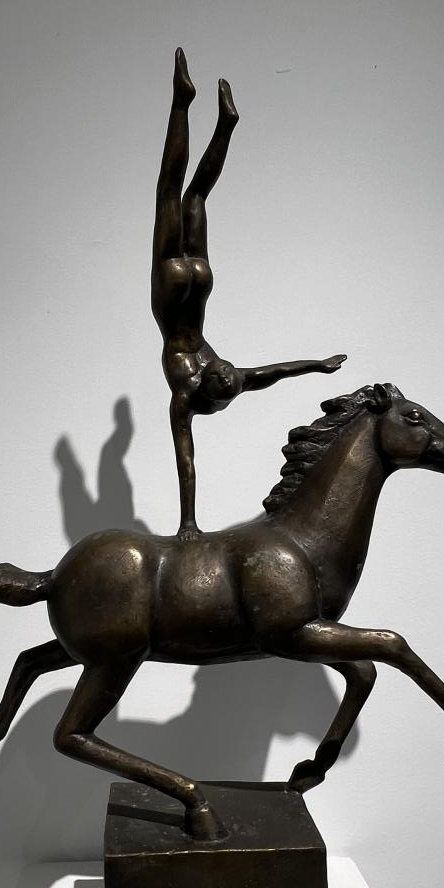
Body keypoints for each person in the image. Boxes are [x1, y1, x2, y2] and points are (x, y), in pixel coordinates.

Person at [152, 47, 346, 538]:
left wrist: (189, 522)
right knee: (188, 195)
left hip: (183, 284)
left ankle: (185, 103)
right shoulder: (223, 382)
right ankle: (220, 122)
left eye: (220, 372)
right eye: (228, 372)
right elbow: (278, 371)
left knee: (175, 191)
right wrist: (318, 364)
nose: (225, 368)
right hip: (187, 282)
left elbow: (186, 460)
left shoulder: (185, 396)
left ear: (208, 384)